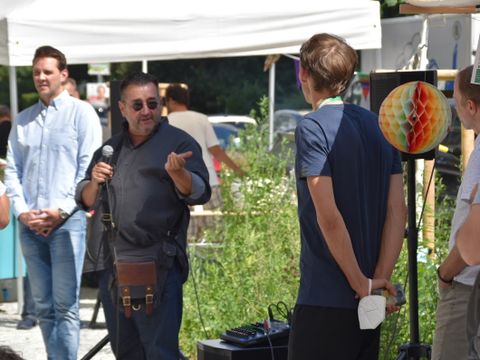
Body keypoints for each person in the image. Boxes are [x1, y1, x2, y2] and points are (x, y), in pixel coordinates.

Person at [75, 72, 211, 359]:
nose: (146, 111)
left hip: (158, 265)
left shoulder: (179, 143)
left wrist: (179, 174)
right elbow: (84, 199)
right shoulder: (109, 150)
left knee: (160, 353)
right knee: (126, 353)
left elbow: (199, 191)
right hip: (115, 268)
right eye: (137, 105)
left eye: (152, 103)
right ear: (122, 108)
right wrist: (94, 182)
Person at [288, 33, 407, 360]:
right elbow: (397, 212)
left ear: (305, 76)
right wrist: (378, 281)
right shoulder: (380, 125)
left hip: (327, 297)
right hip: (370, 297)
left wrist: (360, 282)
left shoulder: (312, 128)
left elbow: (327, 214)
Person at [4, 45, 101, 360]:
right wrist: (21, 213)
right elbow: (12, 170)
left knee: (65, 306)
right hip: (30, 225)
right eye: (36, 72)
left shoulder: (82, 113)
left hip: (66, 222)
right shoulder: (23, 120)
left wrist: (60, 211)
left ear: (63, 74)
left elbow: (87, 170)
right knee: (44, 307)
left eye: (47, 71)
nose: (41, 77)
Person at [431, 64, 480, 360]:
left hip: (466, 287)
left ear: (470, 106)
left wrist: (445, 274)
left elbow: (473, 242)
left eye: (457, 102)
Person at [166, 84, 245, 239]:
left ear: (170, 100)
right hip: (209, 180)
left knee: (188, 236)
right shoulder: (201, 118)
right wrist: (237, 170)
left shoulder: (167, 121)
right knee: (215, 232)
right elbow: (215, 150)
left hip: (180, 184)